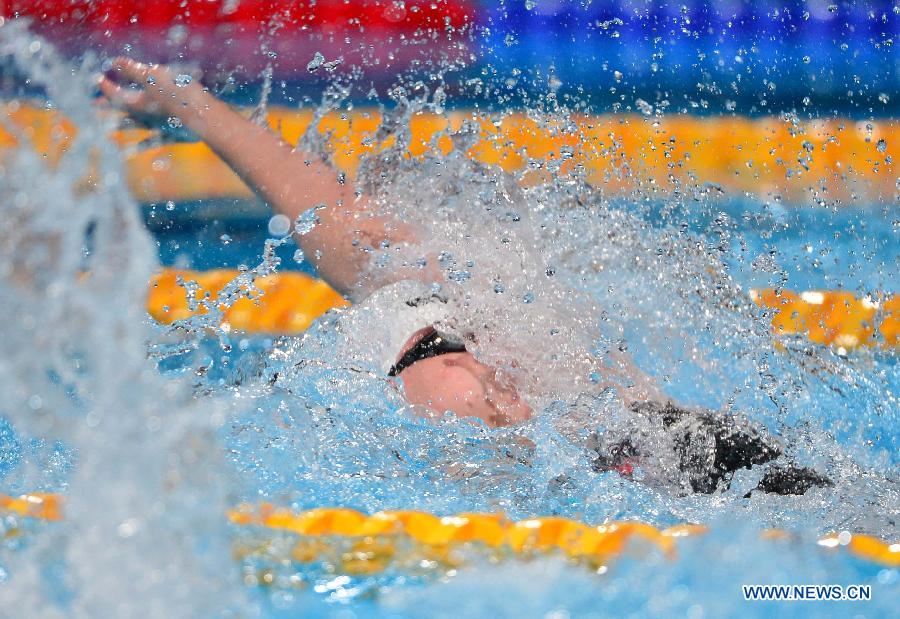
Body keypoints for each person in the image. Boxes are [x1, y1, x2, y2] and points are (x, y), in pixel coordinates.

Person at [99, 59, 831, 496]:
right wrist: (184, 107)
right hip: (648, 444)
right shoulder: (511, 275)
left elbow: (306, 193)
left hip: (614, 444)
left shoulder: (416, 266)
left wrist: (185, 104)